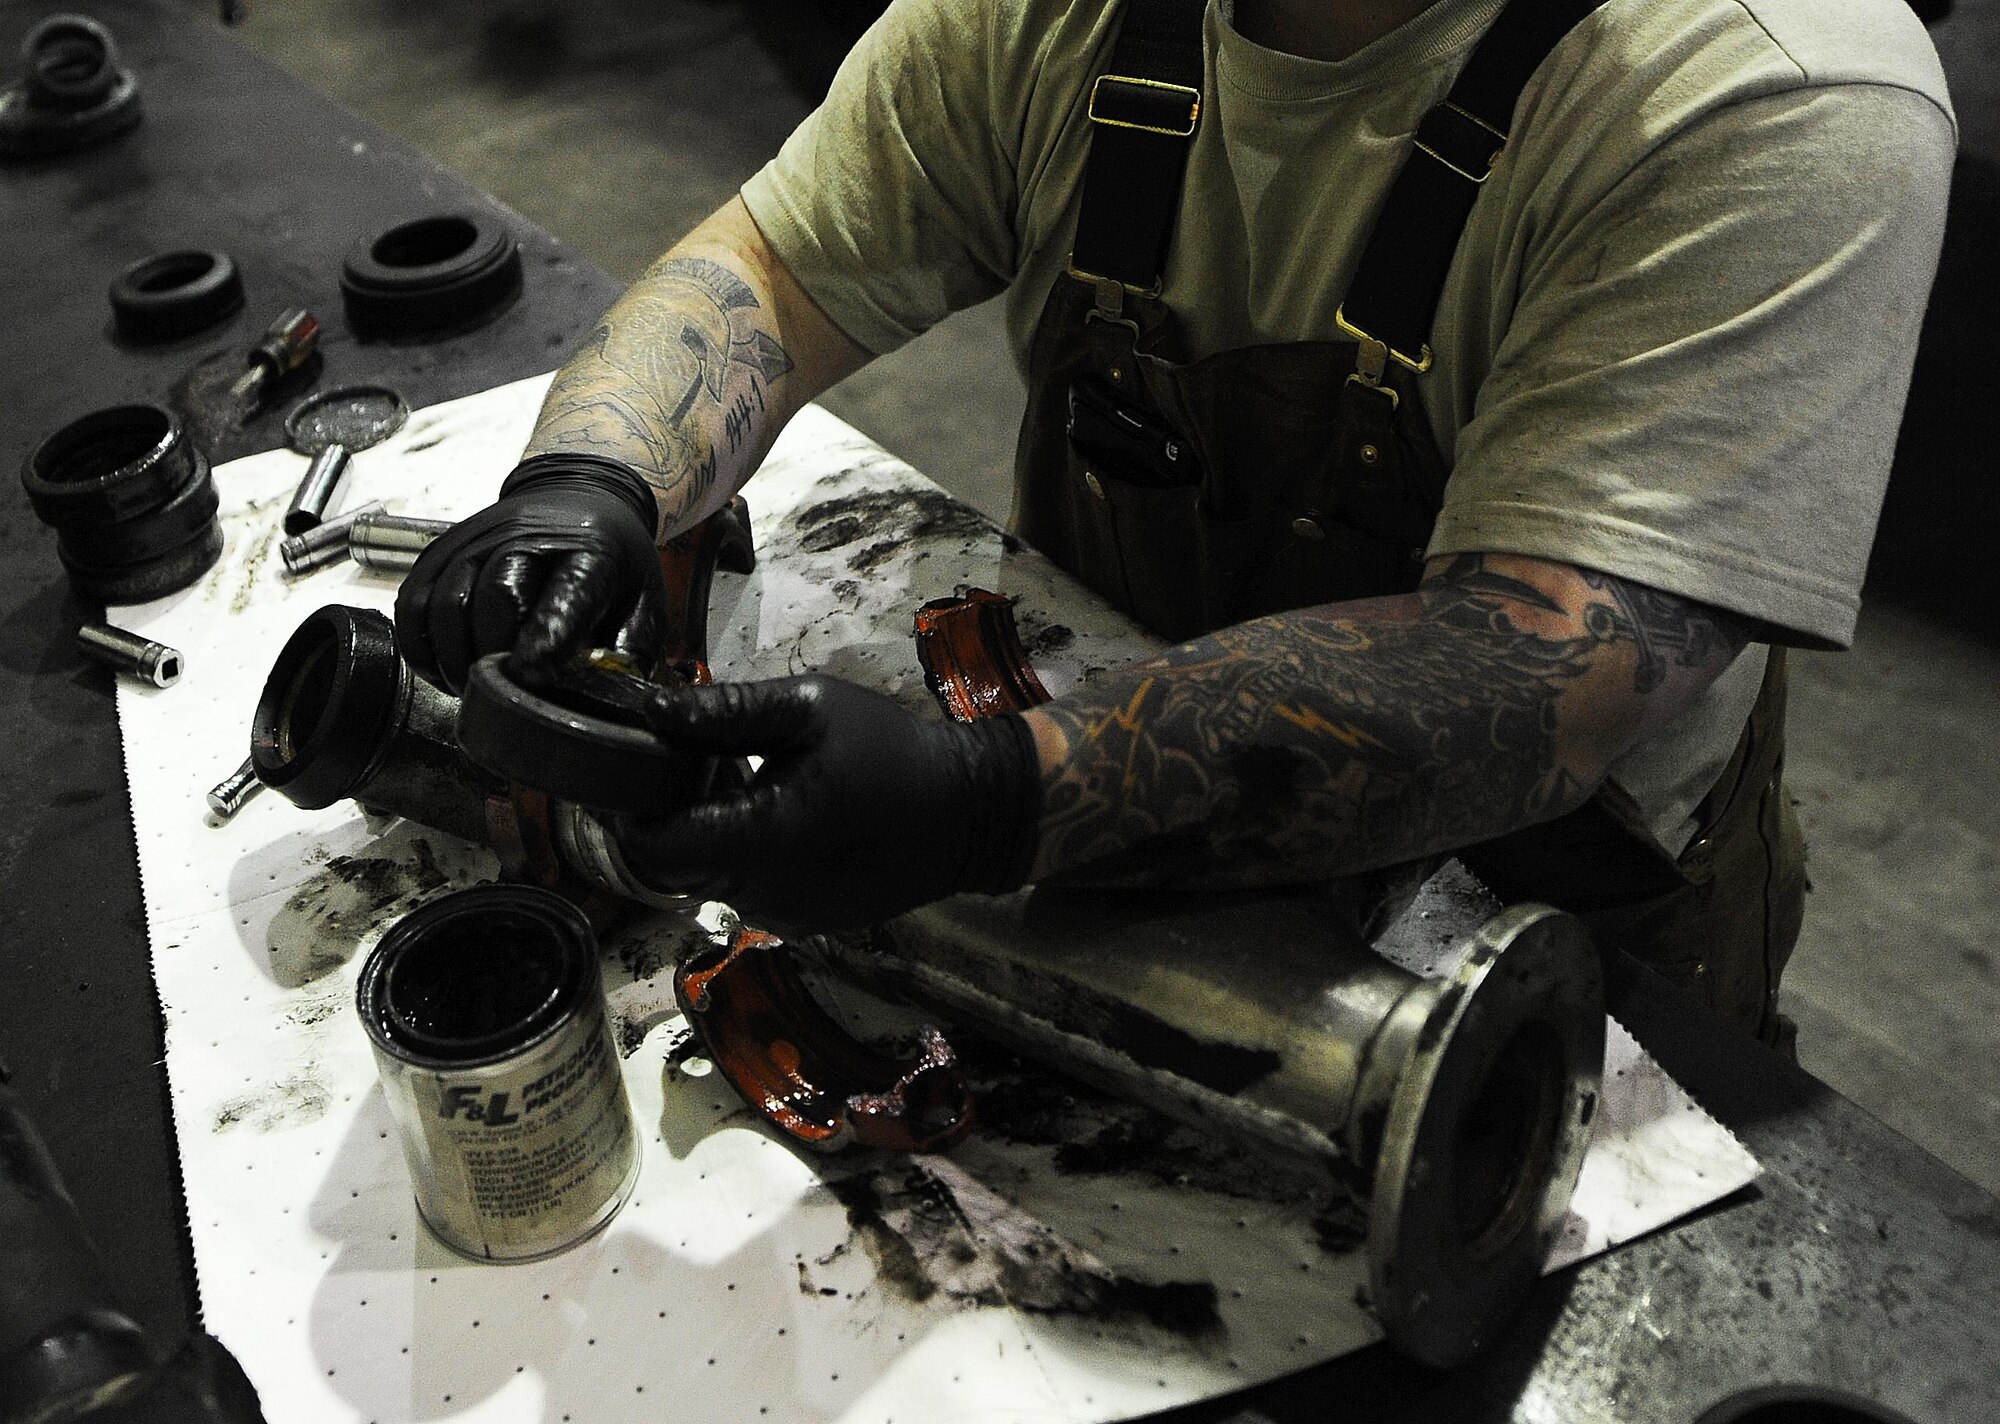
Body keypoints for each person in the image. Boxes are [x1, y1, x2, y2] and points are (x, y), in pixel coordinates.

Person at [395, 0, 1955, 1043]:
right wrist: (591, 479)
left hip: (1547, 929)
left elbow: (1547, 671)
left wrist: (988, 798)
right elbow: (779, 271)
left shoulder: (1780, 88)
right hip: (1078, 805)